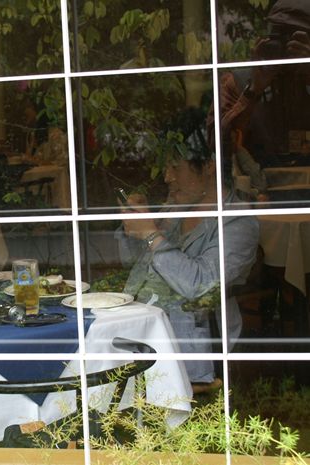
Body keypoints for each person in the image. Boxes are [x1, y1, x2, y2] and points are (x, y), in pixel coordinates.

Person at [117, 108, 259, 384]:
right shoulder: (176, 208)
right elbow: (131, 264)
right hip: (139, 336)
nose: (167, 177)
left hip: (190, 350)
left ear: (209, 166)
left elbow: (202, 284)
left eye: (176, 167)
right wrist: (133, 227)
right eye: (166, 167)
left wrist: (151, 234)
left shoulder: (238, 221)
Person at [210, 0, 310, 168]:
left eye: (294, 38)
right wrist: (253, 90)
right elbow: (219, 147)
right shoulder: (237, 83)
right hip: (257, 183)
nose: (285, 47)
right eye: (278, 37)